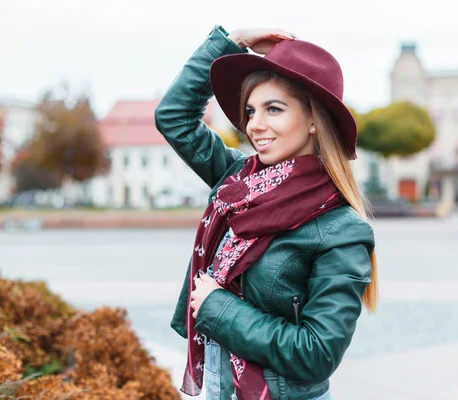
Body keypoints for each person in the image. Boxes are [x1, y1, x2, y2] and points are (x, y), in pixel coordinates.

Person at [154, 25, 377, 400]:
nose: (255, 125)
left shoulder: (341, 229)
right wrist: (232, 42)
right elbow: (174, 117)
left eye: (274, 109)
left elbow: (316, 354)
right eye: (251, 111)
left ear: (312, 120)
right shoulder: (236, 182)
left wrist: (217, 307)